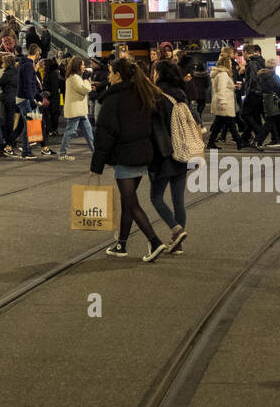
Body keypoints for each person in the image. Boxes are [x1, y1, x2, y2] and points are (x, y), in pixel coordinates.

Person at [90, 57, 167, 262]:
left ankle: (155, 241)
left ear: (117, 74)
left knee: (131, 203)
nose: (108, 76)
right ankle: (121, 245)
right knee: (127, 201)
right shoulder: (142, 93)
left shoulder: (113, 99)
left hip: (125, 156)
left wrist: (96, 165)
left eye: (110, 72)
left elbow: (106, 133)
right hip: (143, 154)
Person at [148, 59, 190, 254]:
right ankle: (178, 244)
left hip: (164, 153)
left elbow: (153, 127)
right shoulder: (180, 94)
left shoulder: (156, 96)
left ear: (159, 74)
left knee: (155, 197)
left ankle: (176, 229)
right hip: (182, 152)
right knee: (178, 200)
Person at [57, 57, 95, 160]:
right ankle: (62, 153)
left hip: (79, 110)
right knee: (70, 131)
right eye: (82, 64)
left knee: (88, 132)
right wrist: (87, 79)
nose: (84, 67)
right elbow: (84, 89)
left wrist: (86, 79)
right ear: (77, 66)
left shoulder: (75, 77)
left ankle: (95, 152)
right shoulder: (74, 77)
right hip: (76, 110)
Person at [207, 55, 246, 150]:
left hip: (222, 101)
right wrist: (223, 102)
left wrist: (233, 87)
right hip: (225, 102)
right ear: (226, 63)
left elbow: (222, 87)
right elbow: (221, 89)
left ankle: (211, 143)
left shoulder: (220, 74)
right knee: (231, 124)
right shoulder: (223, 75)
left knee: (218, 124)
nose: (231, 64)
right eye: (230, 63)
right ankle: (239, 143)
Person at [253, 65, 280, 151]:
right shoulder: (273, 76)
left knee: (279, 123)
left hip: (267, 100)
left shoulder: (261, 77)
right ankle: (257, 141)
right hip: (274, 100)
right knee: (270, 123)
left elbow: (258, 90)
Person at [16, 44, 44, 159]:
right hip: (25, 98)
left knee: (30, 123)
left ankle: (26, 148)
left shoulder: (24, 63)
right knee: (30, 124)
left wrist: (35, 96)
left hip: (23, 97)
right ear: (36, 53)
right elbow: (28, 83)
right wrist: (32, 99)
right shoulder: (28, 66)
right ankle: (26, 151)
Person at [0, 52, 20, 155]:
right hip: (16, 98)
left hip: (9, 99)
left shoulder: (7, 73)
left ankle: (9, 143)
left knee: (8, 122)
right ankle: (11, 141)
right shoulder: (16, 72)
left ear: (7, 63)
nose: (2, 64)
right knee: (15, 122)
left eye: (3, 62)